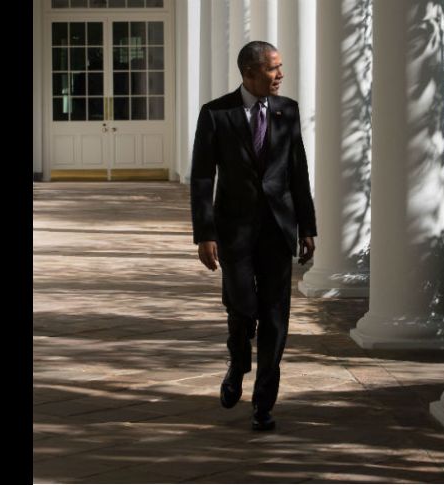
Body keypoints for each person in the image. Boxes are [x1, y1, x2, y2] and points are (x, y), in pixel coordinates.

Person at [190, 41, 317, 431]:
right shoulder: (216, 114)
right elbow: (201, 176)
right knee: (242, 307)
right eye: (273, 68)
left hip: (279, 230)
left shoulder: (287, 110)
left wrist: (308, 227)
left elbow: (298, 170)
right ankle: (238, 363)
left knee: (276, 317)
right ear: (249, 72)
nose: (280, 75)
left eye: (280, 67)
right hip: (234, 231)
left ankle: (264, 403)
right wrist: (205, 233)